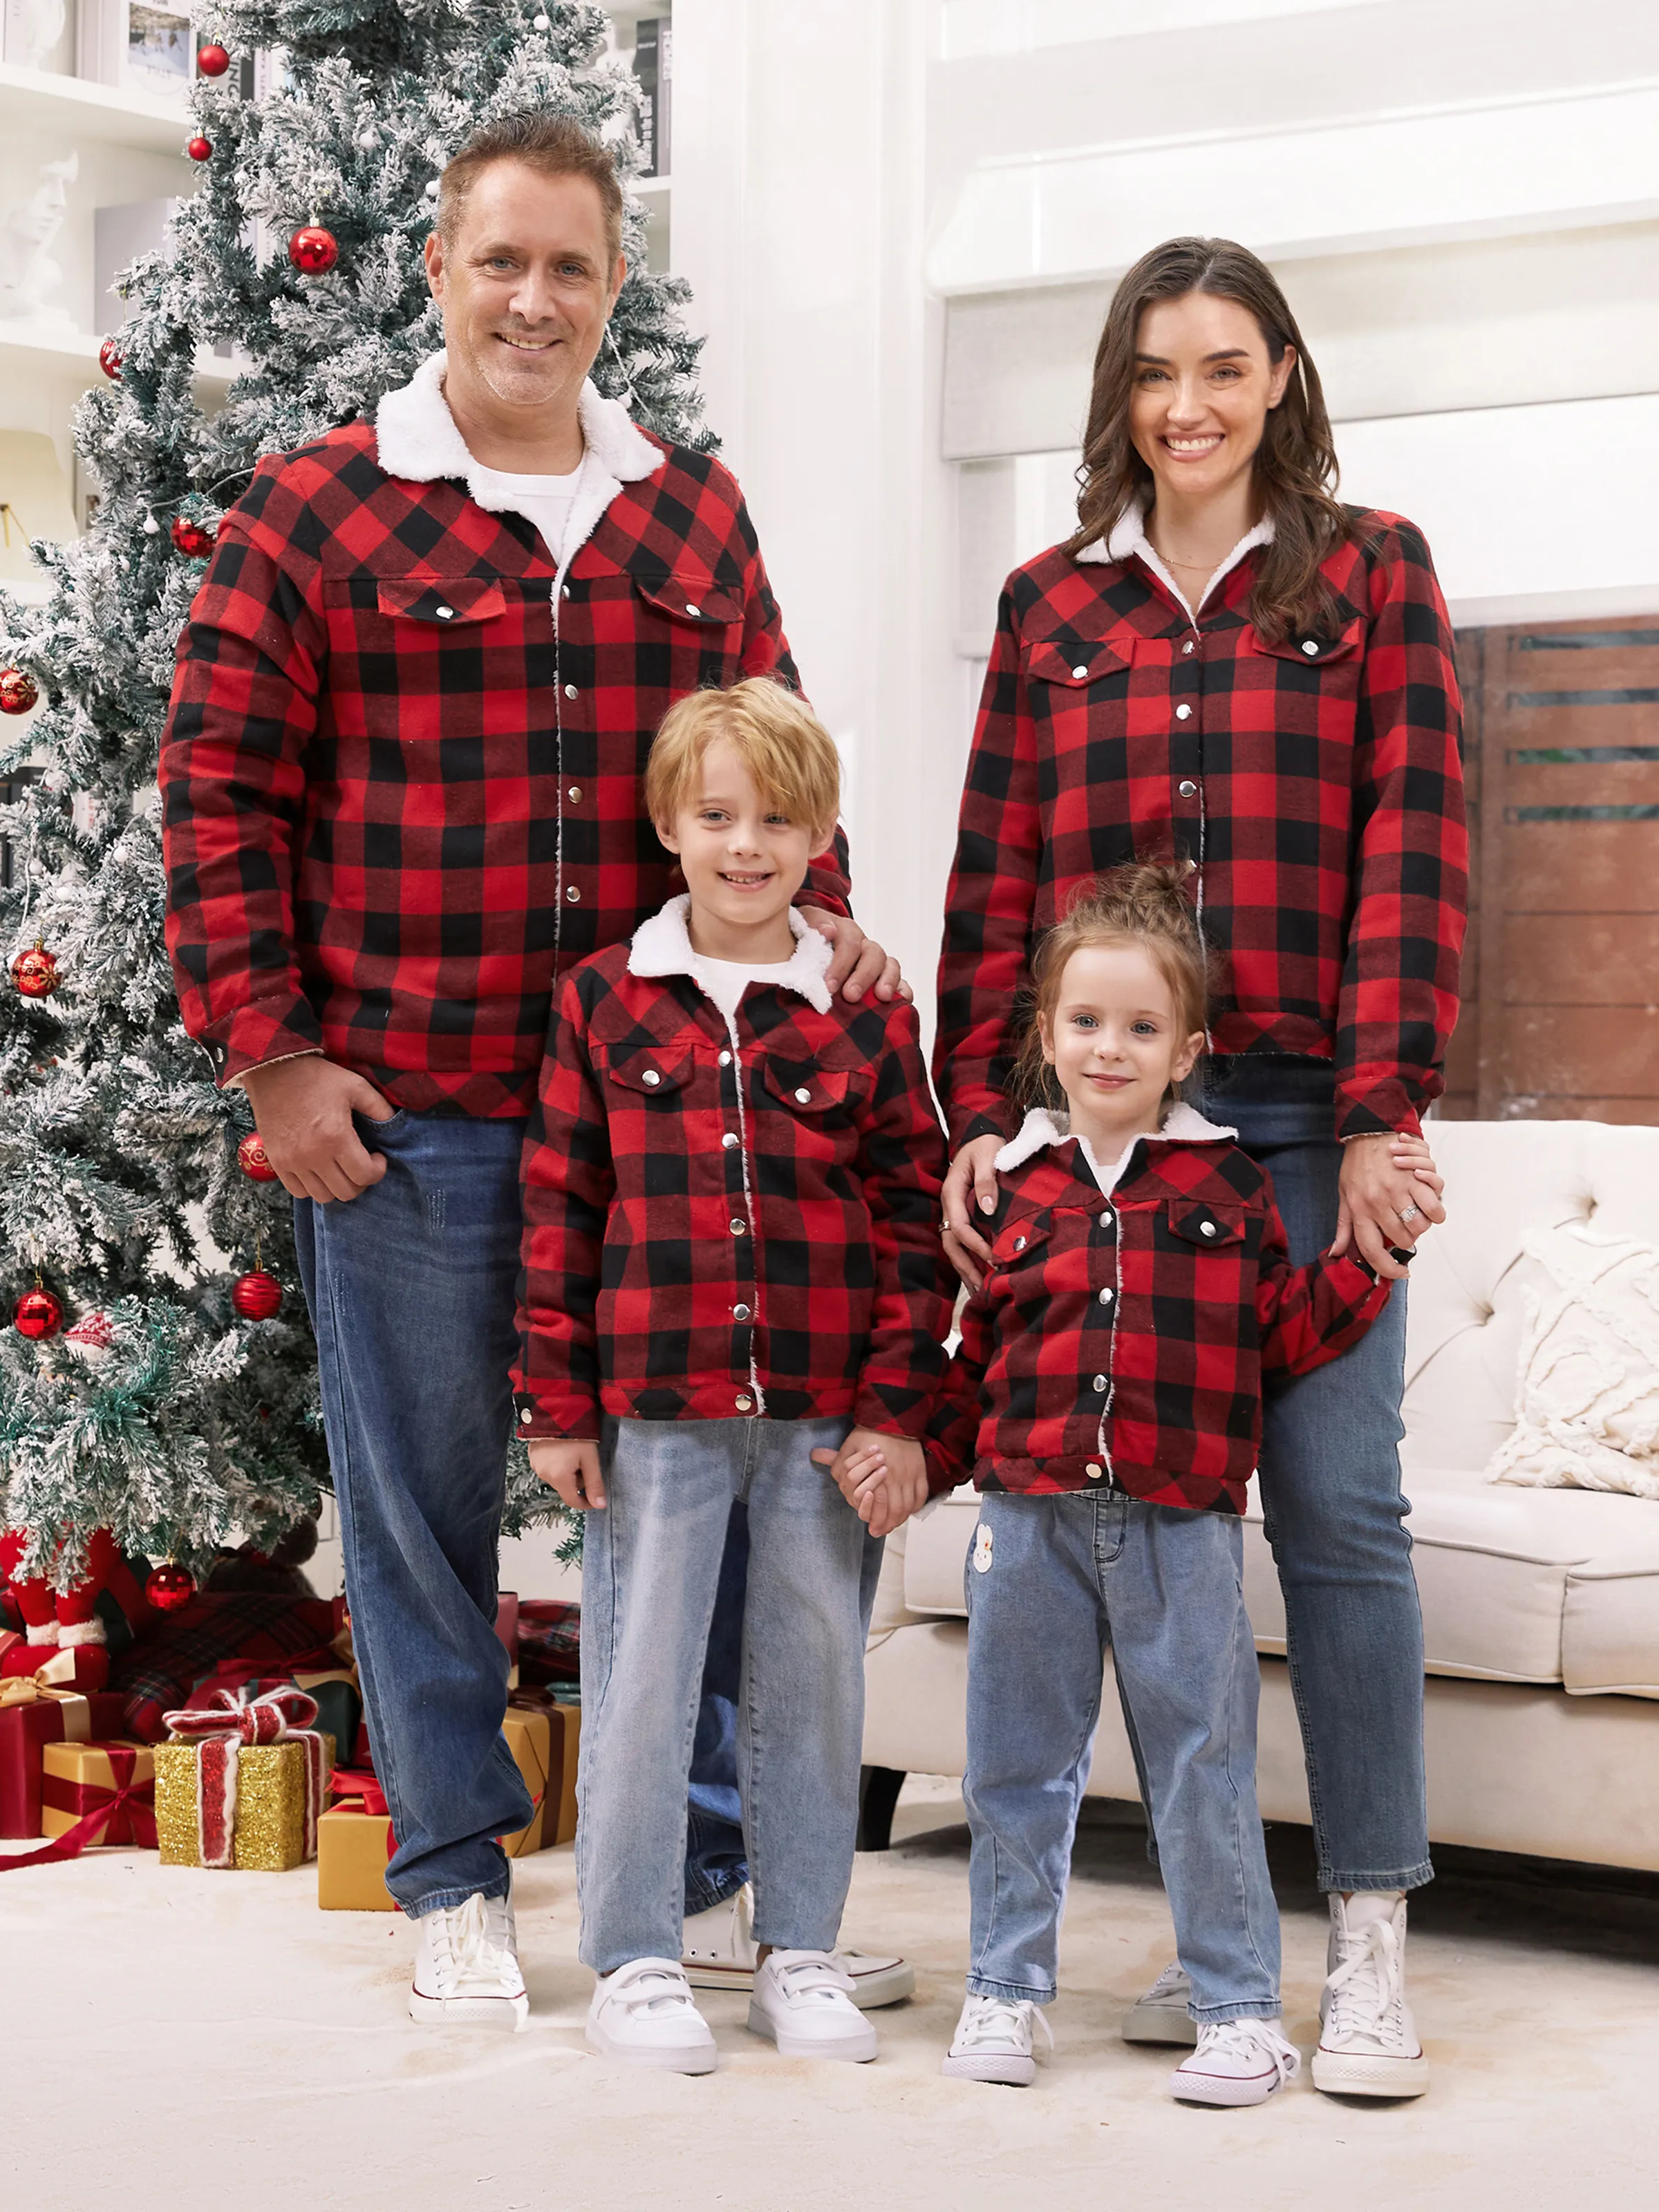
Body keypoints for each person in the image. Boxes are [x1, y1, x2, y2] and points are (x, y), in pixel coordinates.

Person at [159, 111, 908, 2026]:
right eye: (501, 260)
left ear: (611, 289)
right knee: (421, 1505)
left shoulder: (689, 514)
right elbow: (221, 796)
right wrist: (277, 1064)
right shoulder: (317, 510)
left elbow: (775, 758)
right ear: (437, 268)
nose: (534, 297)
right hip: (414, 1112)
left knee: (718, 1488)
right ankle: (454, 1873)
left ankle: (725, 1858)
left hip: (678, 1116)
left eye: (571, 266)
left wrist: (827, 948)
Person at [935, 236, 1467, 2097]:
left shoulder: (1374, 575)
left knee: (1338, 1522)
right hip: (1098, 1141)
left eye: (1227, 368)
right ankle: (1211, 1940)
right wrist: (981, 1115)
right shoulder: (1047, 608)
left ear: (1284, 380)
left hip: (1311, 1116)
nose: (1191, 406)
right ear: (1119, 391)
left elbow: (1414, 840)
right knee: (1136, 1542)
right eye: (1158, 372)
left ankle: (1374, 1937)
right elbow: (997, 872)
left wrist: (1391, 1103)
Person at [929, 865, 1438, 2105]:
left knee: (1206, 1765)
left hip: (1181, 1526)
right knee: (1012, 1764)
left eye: (1143, 1028)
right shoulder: (1015, 1191)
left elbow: (1281, 1331)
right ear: (1045, 1038)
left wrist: (1377, 1259)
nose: (1113, 1047)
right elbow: (971, 1352)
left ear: (1188, 1048)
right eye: (1087, 1023)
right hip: (1027, 1517)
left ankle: (1239, 2010)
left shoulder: (1228, 1184)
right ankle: (1005, 1990)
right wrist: (909, 1453)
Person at [518, 679, 955, 2072]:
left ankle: (801, 1946)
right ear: (668, 823)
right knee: (641, 1673)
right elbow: (559, 1208)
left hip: (826, 1413)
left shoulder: (871, 1014)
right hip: (655, 1404)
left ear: (821, 831)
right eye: (716, 814)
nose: (747, 842)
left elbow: (910, 1221)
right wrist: (554, 1405)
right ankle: (637, 1953)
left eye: (777, 816)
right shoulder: (601, 1001)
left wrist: (900, 1406)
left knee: (814, 1673)